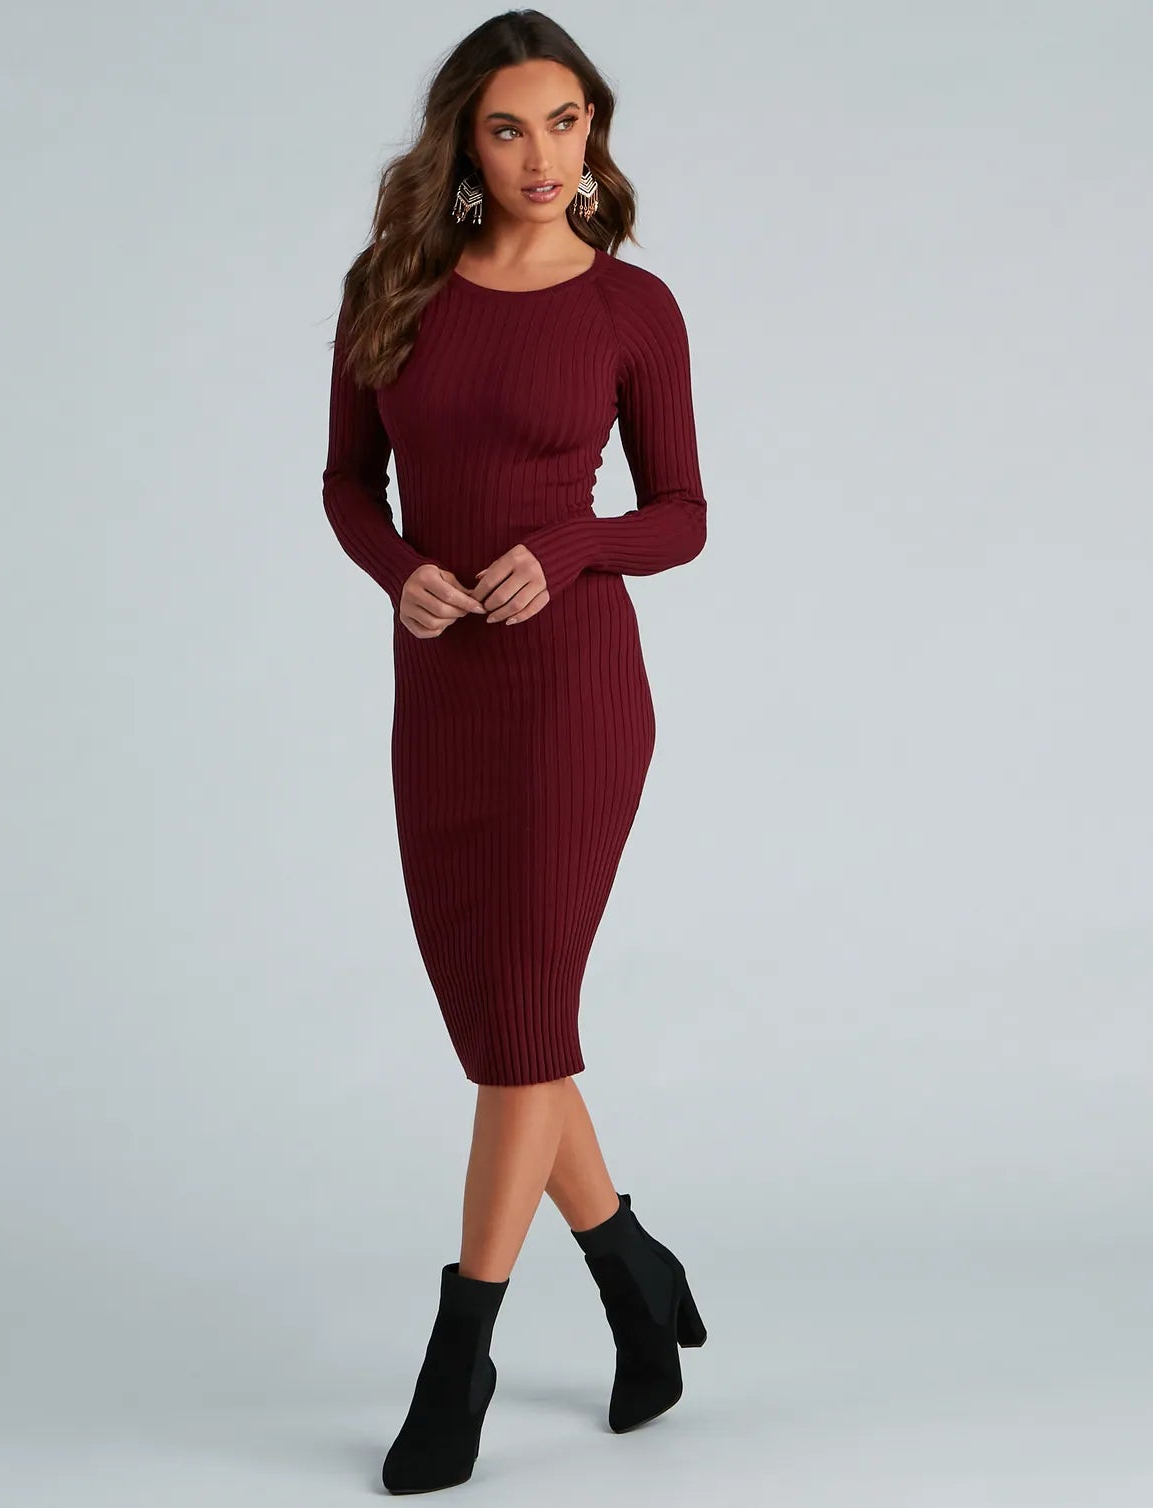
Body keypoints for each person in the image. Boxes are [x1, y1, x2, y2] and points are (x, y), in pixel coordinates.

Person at [320, 12, 710, 1492]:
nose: (543, 155)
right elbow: (349, 484)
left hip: (572, 696)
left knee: (522, 1021)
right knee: (504, 1022)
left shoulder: (631, 307)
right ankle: (630, 1270)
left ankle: (459, 1355)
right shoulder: (393, 288)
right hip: (443, 696)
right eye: (508, 128)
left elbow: (680, 514)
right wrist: (398, 571)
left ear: (592, 133)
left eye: (566, 122)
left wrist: (573, 545)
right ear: (462, 145)